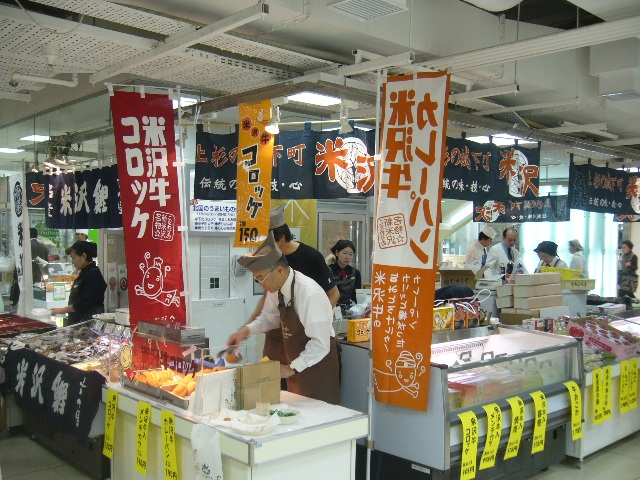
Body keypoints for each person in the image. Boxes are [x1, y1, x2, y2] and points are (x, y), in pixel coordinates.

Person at [228, 232, 340, 404]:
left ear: (279, 270)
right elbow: (270, 318)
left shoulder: (309, 293)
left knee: (317, 414)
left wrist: (291, 367)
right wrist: (246, 330)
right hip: (296, 364)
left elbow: (320, 343)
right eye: (257, 279)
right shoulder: (277, 288)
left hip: (317, 366)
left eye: (261, 278)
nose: (261, 284)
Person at [245, 205, 339, 388]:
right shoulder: (272, 261)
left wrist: (314, 323)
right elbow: (267, 300)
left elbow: (333, 294)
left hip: (310, 340)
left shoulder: (310, 259)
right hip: (281, 339)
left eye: (267, 242)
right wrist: (247, 328)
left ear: (280, 238)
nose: (263, 247)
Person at [50, 241, 107, 325]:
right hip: (78, 324)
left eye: (73, 258)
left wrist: (62, 310)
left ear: (83, 256)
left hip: (88, 326)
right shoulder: (84, 273)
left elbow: (84, 303)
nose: (72, 262)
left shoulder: (94, 275)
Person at [327, 239, 361, 308]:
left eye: (351, 254)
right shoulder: (328, 270)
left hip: (348, 309)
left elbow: (356, 296)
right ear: (337, 253)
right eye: (344, 253)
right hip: (330, 307)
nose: (347, 257)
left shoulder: (355, 273)